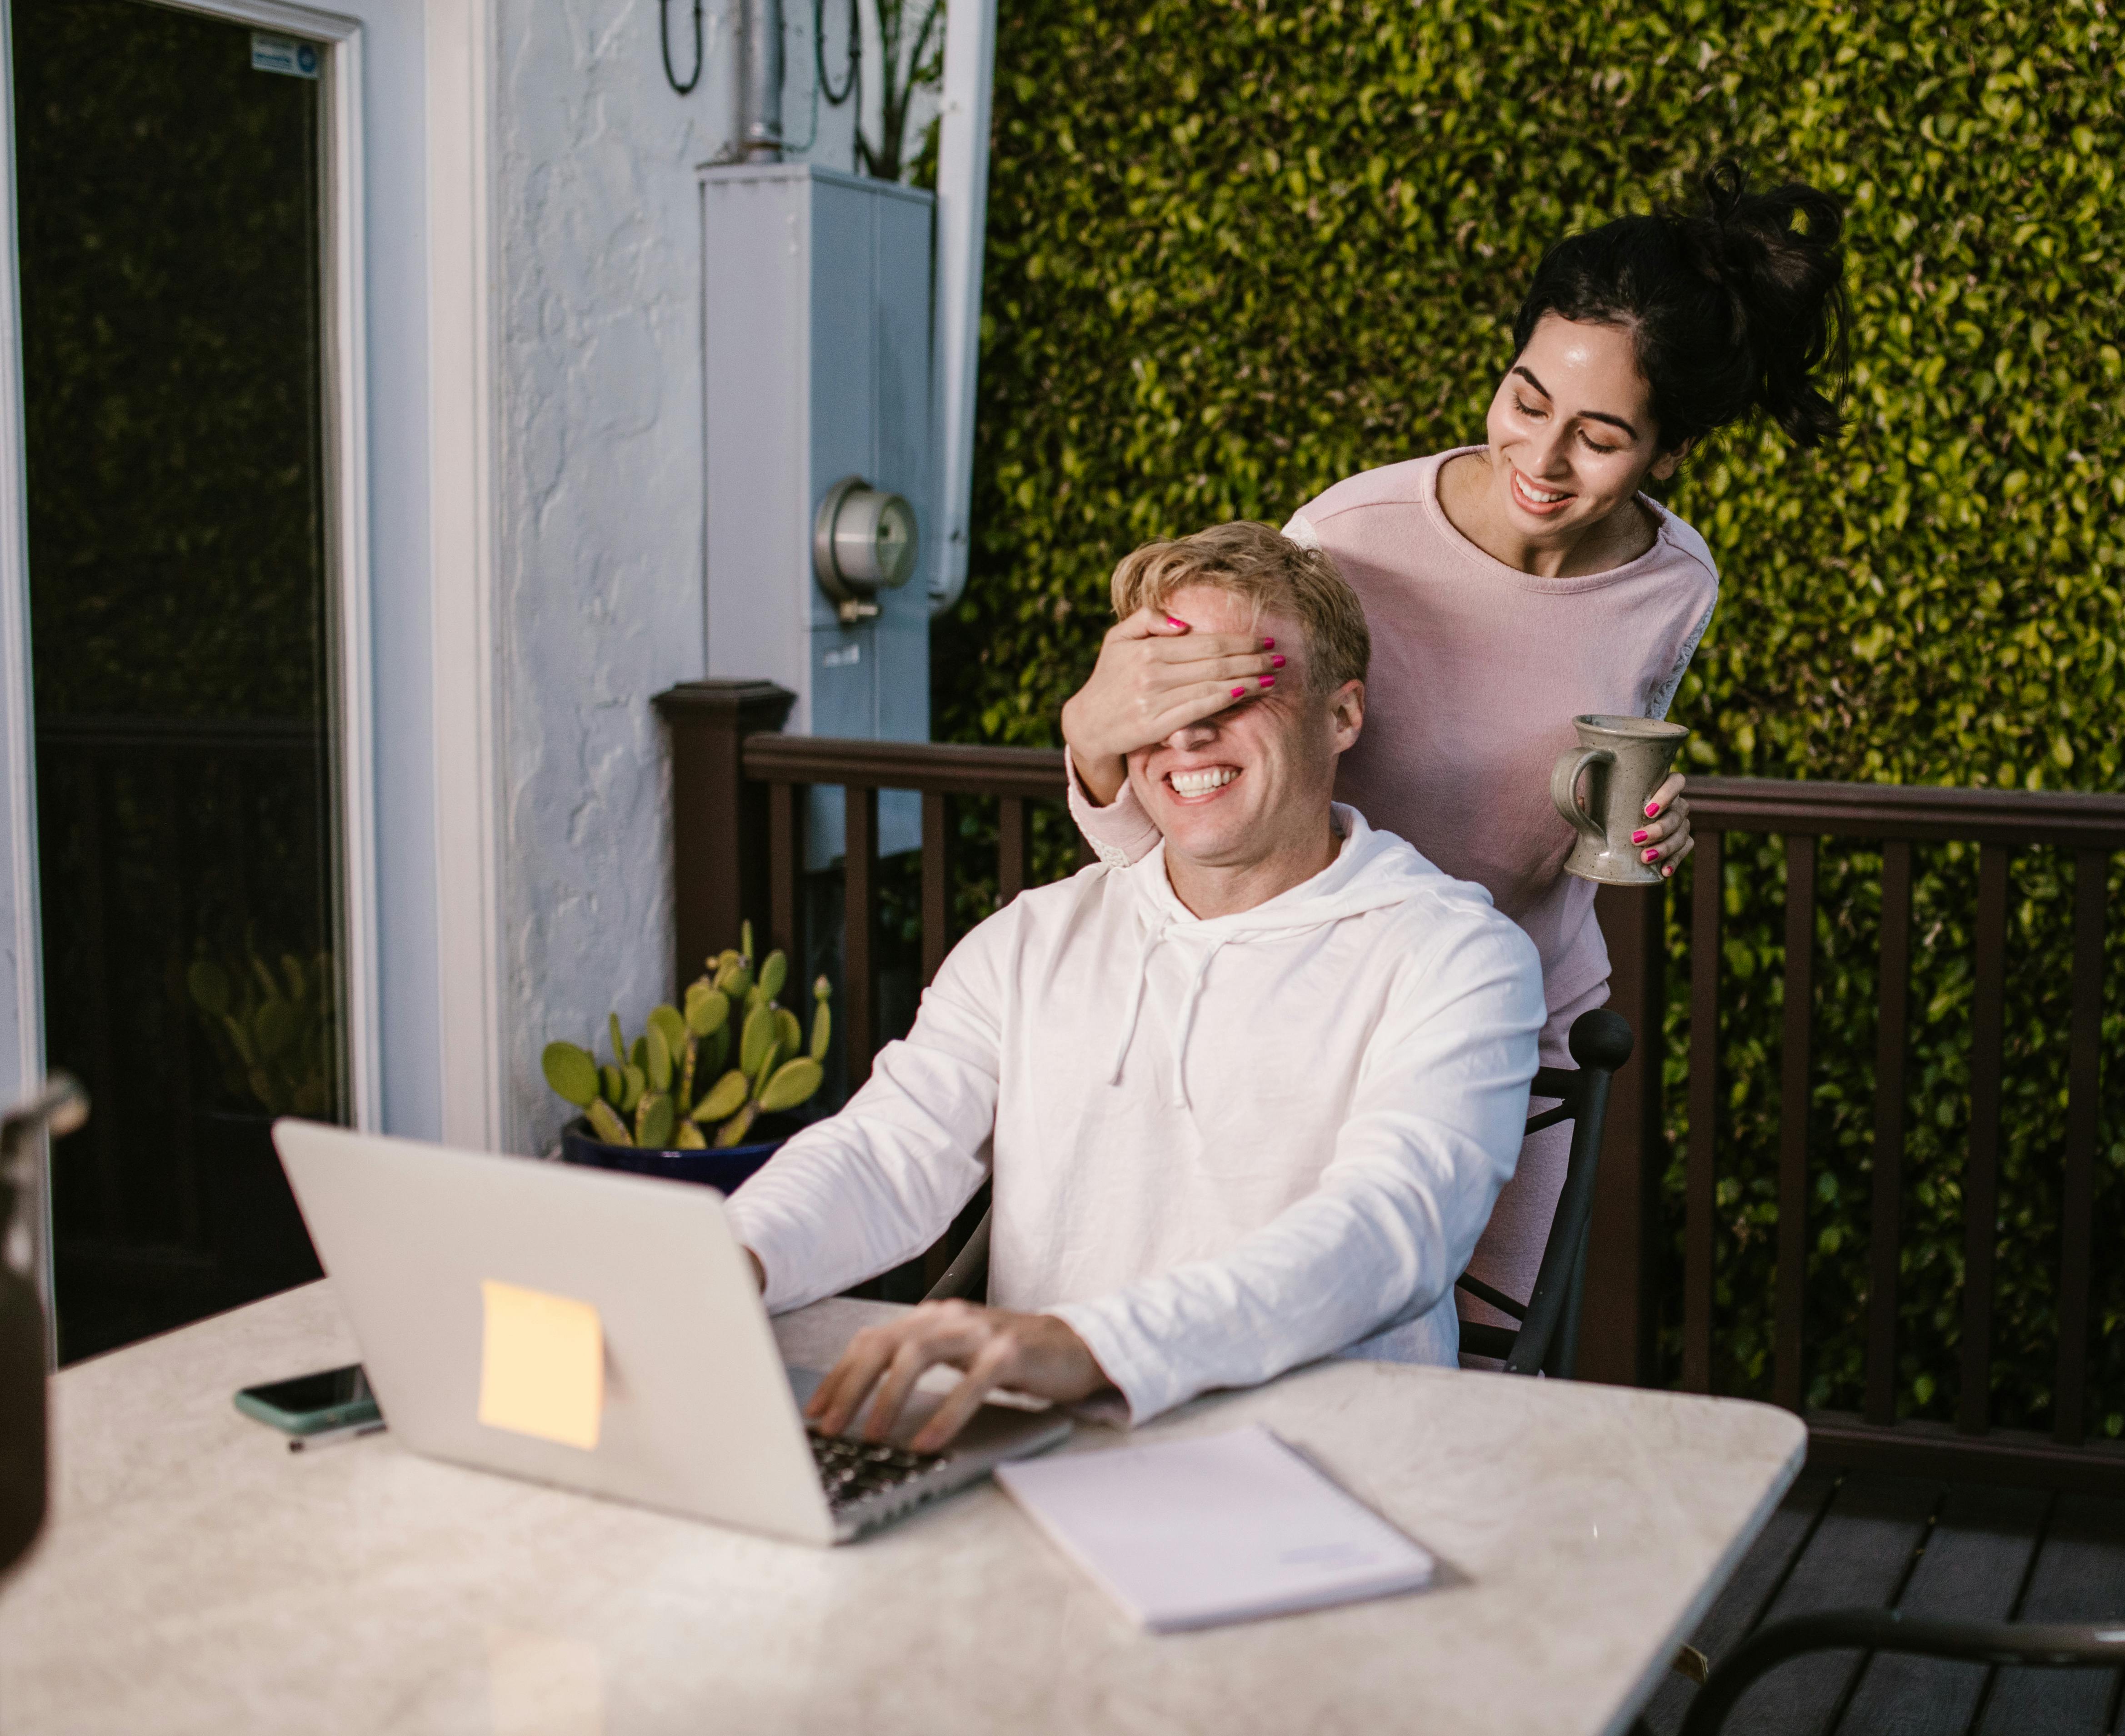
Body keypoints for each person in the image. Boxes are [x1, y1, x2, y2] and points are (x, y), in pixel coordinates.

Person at [1056, 159, 1851, 1326]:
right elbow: (1197, 784)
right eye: (1524, 400)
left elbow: (1592, 758)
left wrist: (1653, 813)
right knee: (1283, 1347)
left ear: (1666, 452)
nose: (1540, 459)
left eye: (1599, 436)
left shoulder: (1677, 584)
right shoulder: (1347, 540)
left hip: (1529, 1027)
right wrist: (1090, 754)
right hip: (1321, 1022)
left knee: (1487, 1372)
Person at [729, 523, 1545, 1451]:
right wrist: (728, 1260)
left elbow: (1391, 1227)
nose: (1187, 729)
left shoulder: (1453, 953)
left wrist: (1089, 1344)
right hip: (1039, 1454)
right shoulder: (1029, 938)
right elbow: (886, 1153)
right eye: (1157, 691)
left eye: (1235, 688)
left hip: (1330, 1469)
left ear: (1341, 713)